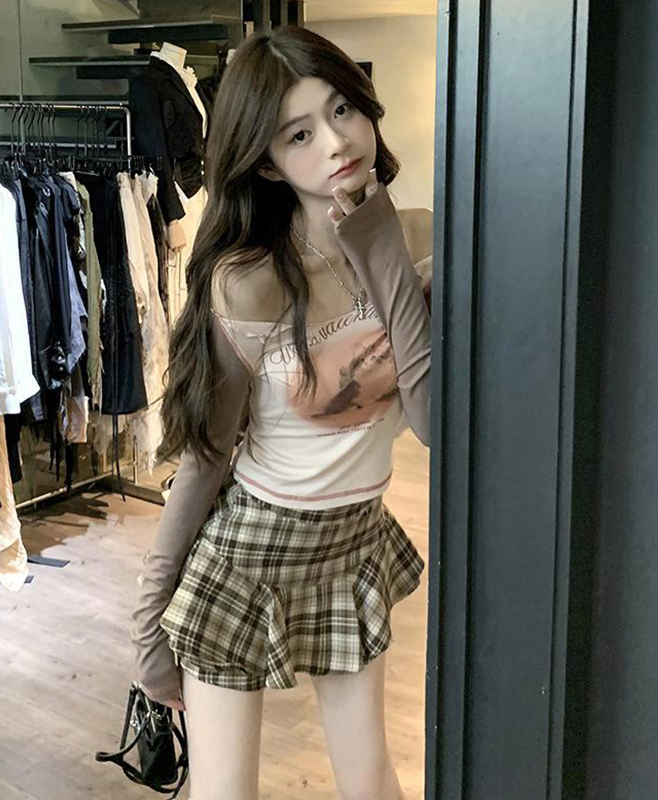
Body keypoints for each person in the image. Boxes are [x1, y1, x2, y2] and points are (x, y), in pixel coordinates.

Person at [131, 24, 433, 800]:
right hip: (249, 553)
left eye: (342, 110)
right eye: (300, 134)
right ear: (267, 161)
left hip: (353, 543)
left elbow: (435, 423)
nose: (335, 143)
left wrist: (381, 247)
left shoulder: (416, 238)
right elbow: (206, 458)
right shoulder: (252, 279)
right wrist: (149, 622)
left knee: (372, 781)